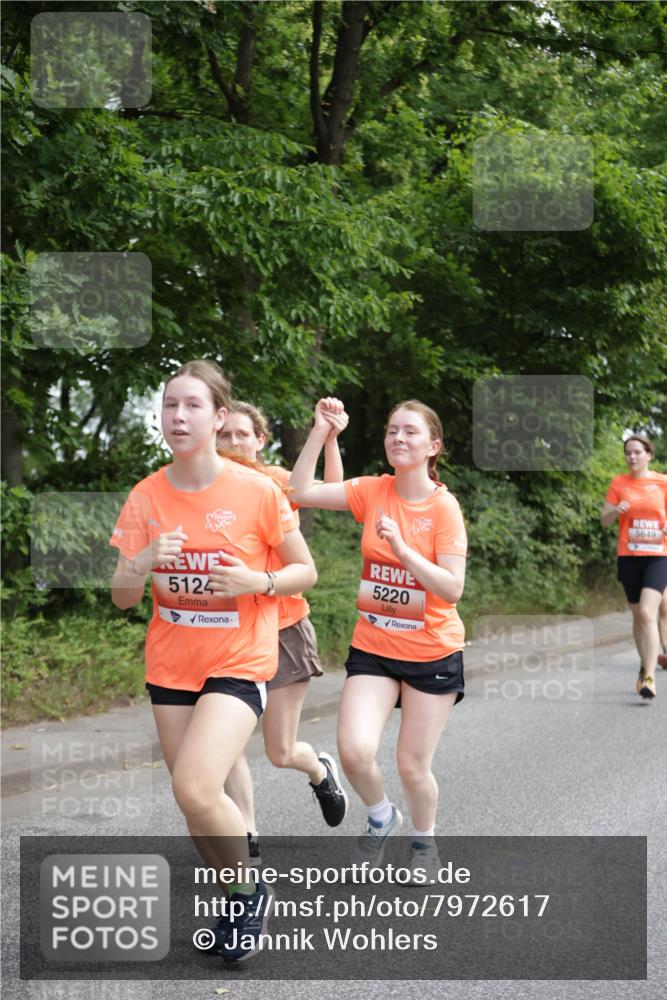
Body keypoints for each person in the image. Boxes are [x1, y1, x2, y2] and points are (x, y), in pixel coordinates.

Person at [109, 360, 317, 961]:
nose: (178, 416)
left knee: (196, 785)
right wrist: (144, 557)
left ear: (219, 416)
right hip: (171, 665)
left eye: (192, 405)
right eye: (170, 405)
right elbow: (123, 596)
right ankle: (236, 893)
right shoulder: (147, 495)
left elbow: (306, 570)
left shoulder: (256, 491)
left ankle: (251, 892)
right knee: (192, 804)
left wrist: (259, 579)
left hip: (239, 658)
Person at [290, 398, 467, 873]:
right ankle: (380, 815)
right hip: (375, 646)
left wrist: (405, 552)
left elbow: (451, 589)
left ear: (433, 446)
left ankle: (425, 845)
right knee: (352, 750)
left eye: (410, 431)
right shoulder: (373, 490)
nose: (398, 438)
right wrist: (322, 432)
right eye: (392, 430)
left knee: (412, 764)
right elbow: (300, 490)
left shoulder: (443, 507)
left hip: (432, 651)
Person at [218, 401, 349, 854]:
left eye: (241, 435)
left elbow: (329, 490)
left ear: (260, 440)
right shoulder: (203, 487)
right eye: (224, 435)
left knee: (279, 751)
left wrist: (323, 435)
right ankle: (248, 833)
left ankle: (318, 771)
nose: (232, 443)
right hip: (226, 632)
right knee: (226, 742)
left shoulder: (271, 480)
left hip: (283, 627)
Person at [600, 434, 667, 699]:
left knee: (649, 613)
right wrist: (616, 509)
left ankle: (649, 676)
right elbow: (604, 520)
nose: (632, 457)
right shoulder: (619, 483)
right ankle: (644, 665)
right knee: (639, 616)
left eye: (637, 452)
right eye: (628, 453)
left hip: (658, 556)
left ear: (649, 455)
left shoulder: (662, 482)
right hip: (628, 556)